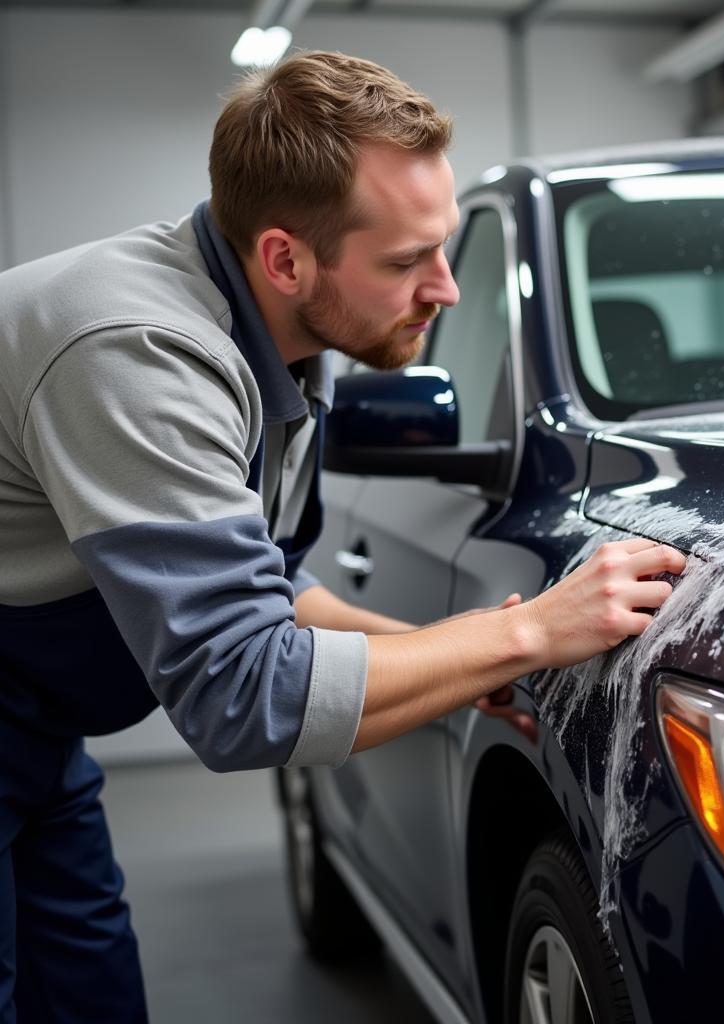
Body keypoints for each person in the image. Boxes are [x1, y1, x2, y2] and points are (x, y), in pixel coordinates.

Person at [0, 50, 685, 1021]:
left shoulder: (283, 344)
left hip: (33, 728)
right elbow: (244, 696)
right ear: (285, 258)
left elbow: (273, 594)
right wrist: (527, 632)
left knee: (90, 990)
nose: (444, 289)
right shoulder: (139, 354)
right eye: (408, 261)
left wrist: (448, 657)